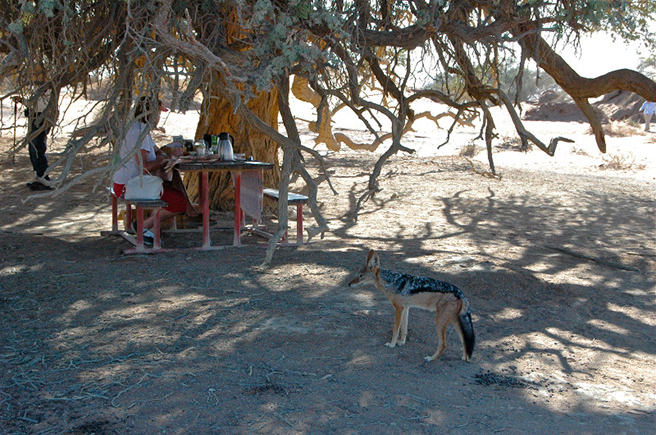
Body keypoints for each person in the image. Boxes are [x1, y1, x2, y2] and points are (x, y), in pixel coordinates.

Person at [112, 97, 187, 246]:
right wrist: (166, 159)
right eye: (158, 113)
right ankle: (145, 228)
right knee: (180, 202)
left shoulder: (139, 129)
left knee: (171, 192)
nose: (159, 118)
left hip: (129, 182)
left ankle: (146, 229)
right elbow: (144, 166)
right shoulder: (139, 132)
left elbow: (157, 150)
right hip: (131, 186)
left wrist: (163, 156)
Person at [13, 94, 54, 191]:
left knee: (38, 148)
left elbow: (38, 104)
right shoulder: (38, 88)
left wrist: (23, 100)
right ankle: (38, 176)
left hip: (42, 117)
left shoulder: (47, 88)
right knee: (33, 148)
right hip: (36, 117)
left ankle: (43, 178)